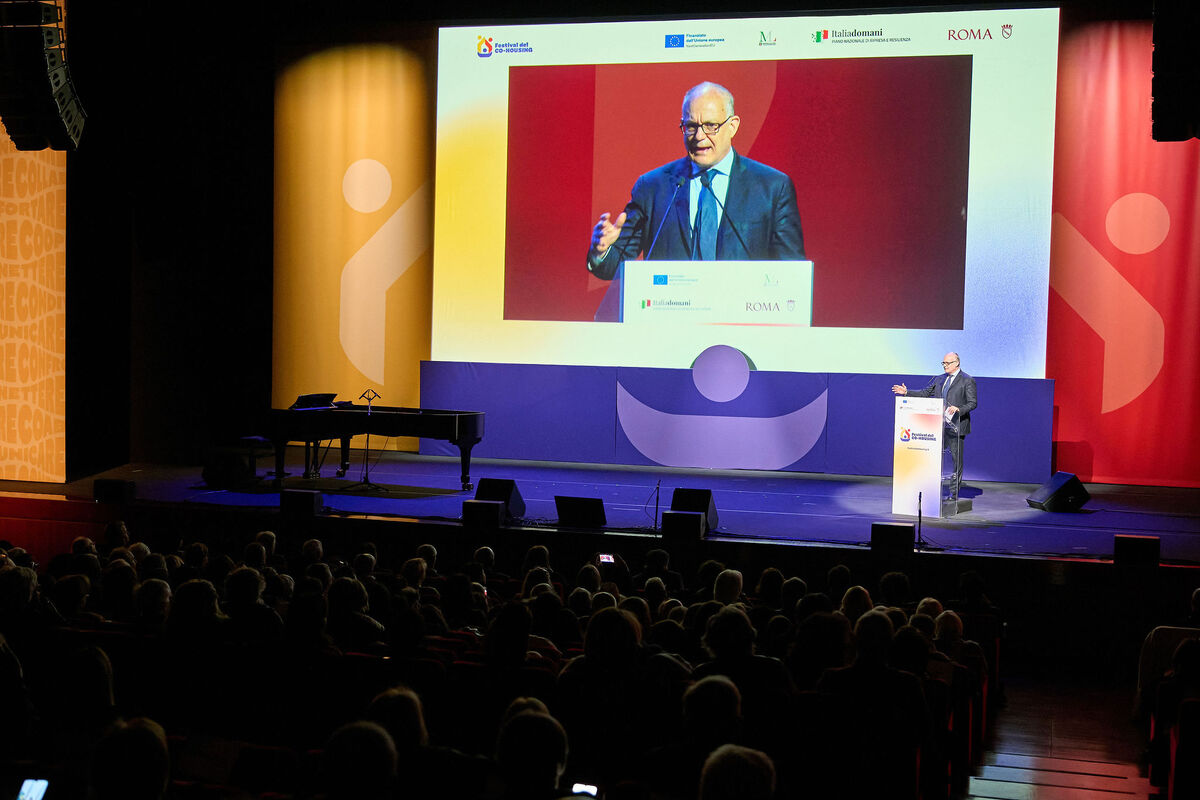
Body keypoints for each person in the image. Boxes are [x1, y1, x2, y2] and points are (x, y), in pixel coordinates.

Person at [586, 81, 804, 278]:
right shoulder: (653, 187)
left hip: (740, 316)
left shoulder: (772, 188)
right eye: (691, 126)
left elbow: (792, 272)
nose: (699, 137)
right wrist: (602, 251)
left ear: (733, 126)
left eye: (710, 126)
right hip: (672, 315)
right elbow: (614, 267)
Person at [892, 352, 977, 486]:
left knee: (956, 460)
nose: (945, 366)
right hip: (937, 426)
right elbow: (925, 393)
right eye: (943, 363)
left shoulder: (967, 380)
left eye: (947, 363)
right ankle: (933, 488)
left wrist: (959, 409)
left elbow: (972, 403)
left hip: (956, 426)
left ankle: (954, 491)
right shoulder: (939, 379)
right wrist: (907, 392)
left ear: (957, 363)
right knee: (933, 458)